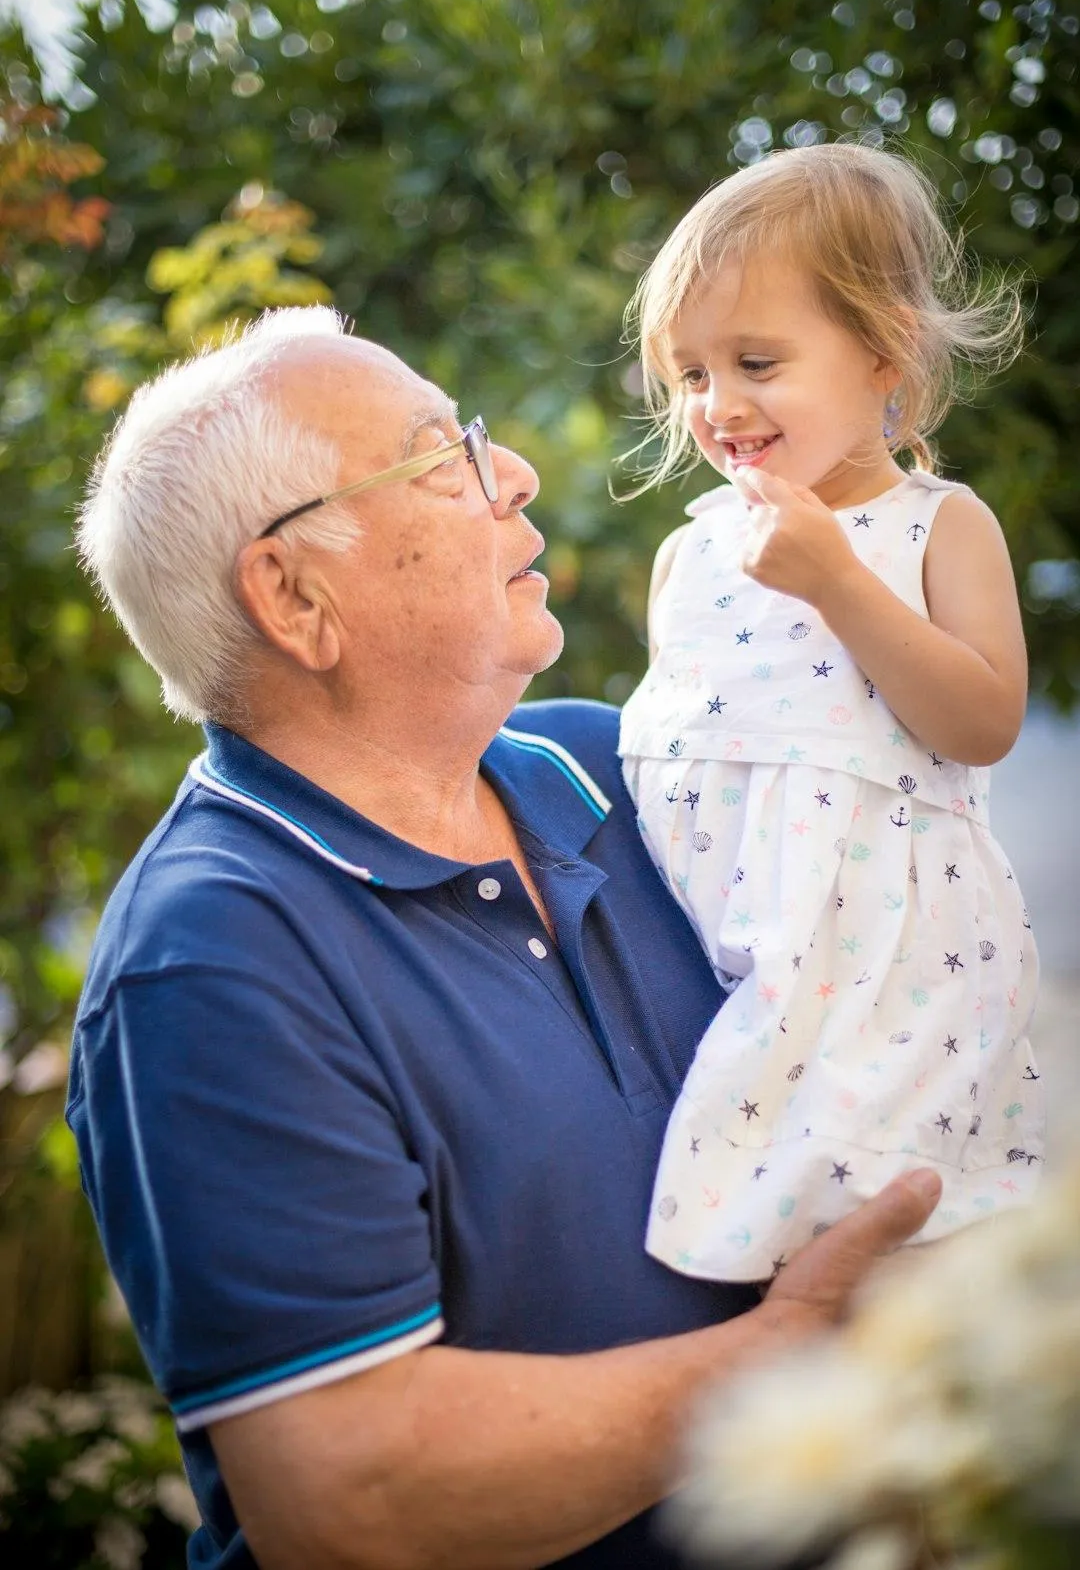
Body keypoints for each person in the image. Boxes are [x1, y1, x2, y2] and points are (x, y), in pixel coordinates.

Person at [70, 304, 942, 1570]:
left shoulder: (623, 765)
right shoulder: (210, 960)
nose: (516, 472)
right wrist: (780, 1355)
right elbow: (347, 1497)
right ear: (296, 596)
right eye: (443, 455)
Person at [618, 141, 1044, 1287]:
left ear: (882, 352)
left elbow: (983, 720)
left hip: (893, 980)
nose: (719, 405)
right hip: (731, 973)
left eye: (757, 359)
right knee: (749, 1270)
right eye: (691, 374)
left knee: (894, 1252)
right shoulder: (688, 555)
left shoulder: (936, 527)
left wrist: (839, 585)